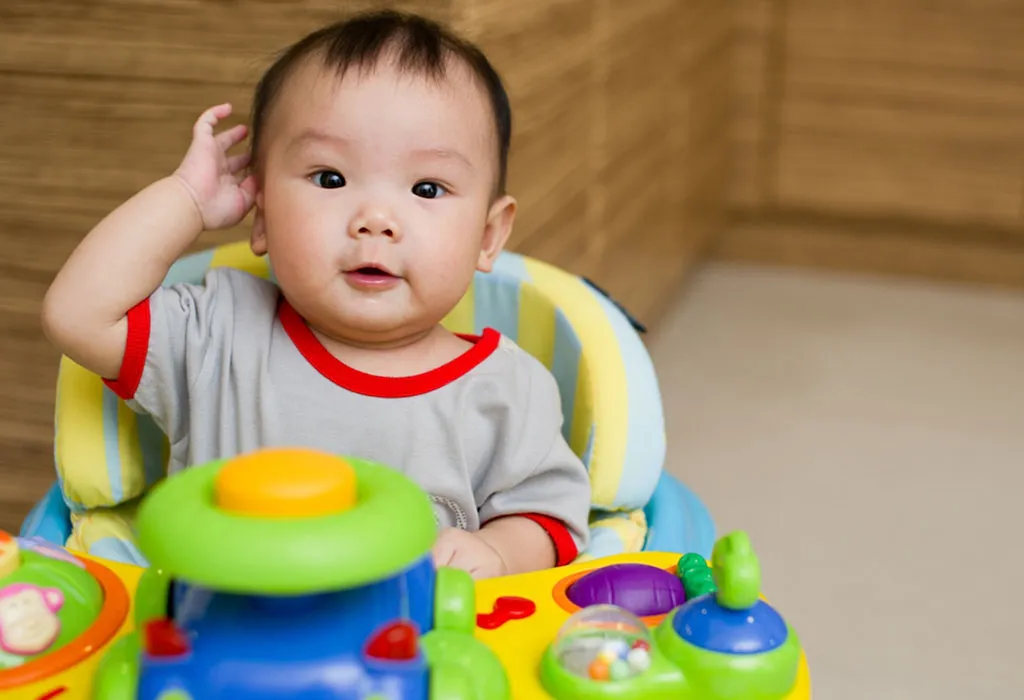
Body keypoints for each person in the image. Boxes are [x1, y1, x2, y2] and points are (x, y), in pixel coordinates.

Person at [41, 10, 591, 579]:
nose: (375, 219)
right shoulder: (218, 336)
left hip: (410, 651)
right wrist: (185, 200)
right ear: (261, 213)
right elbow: (77, 315)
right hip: (223, 641)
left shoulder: (506, 390)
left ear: (487, 234)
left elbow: (549, 519)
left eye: (427, 188)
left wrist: (497, 552)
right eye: (330, 178)